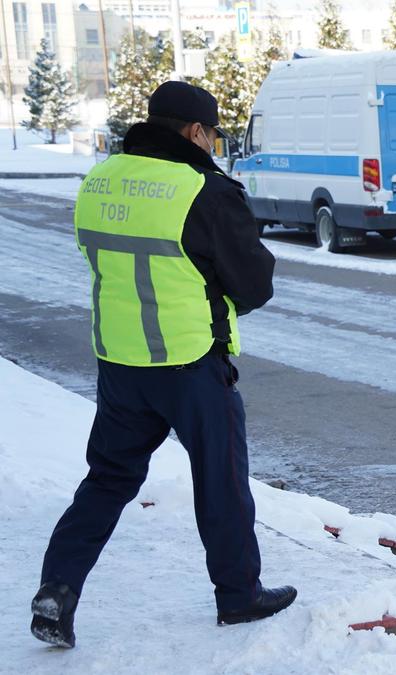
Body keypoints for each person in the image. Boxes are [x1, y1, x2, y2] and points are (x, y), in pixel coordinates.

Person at [31, 81, 295, 649]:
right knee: (220, 481)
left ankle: (57, 589)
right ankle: (238, 596)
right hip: (189, 362)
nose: (214, 144)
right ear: (196, 132)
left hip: (119, 362)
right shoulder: (205, 189)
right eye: (212, 134)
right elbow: (255, 282)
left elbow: (92, 254)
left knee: (106, 480)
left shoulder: (100, 179)